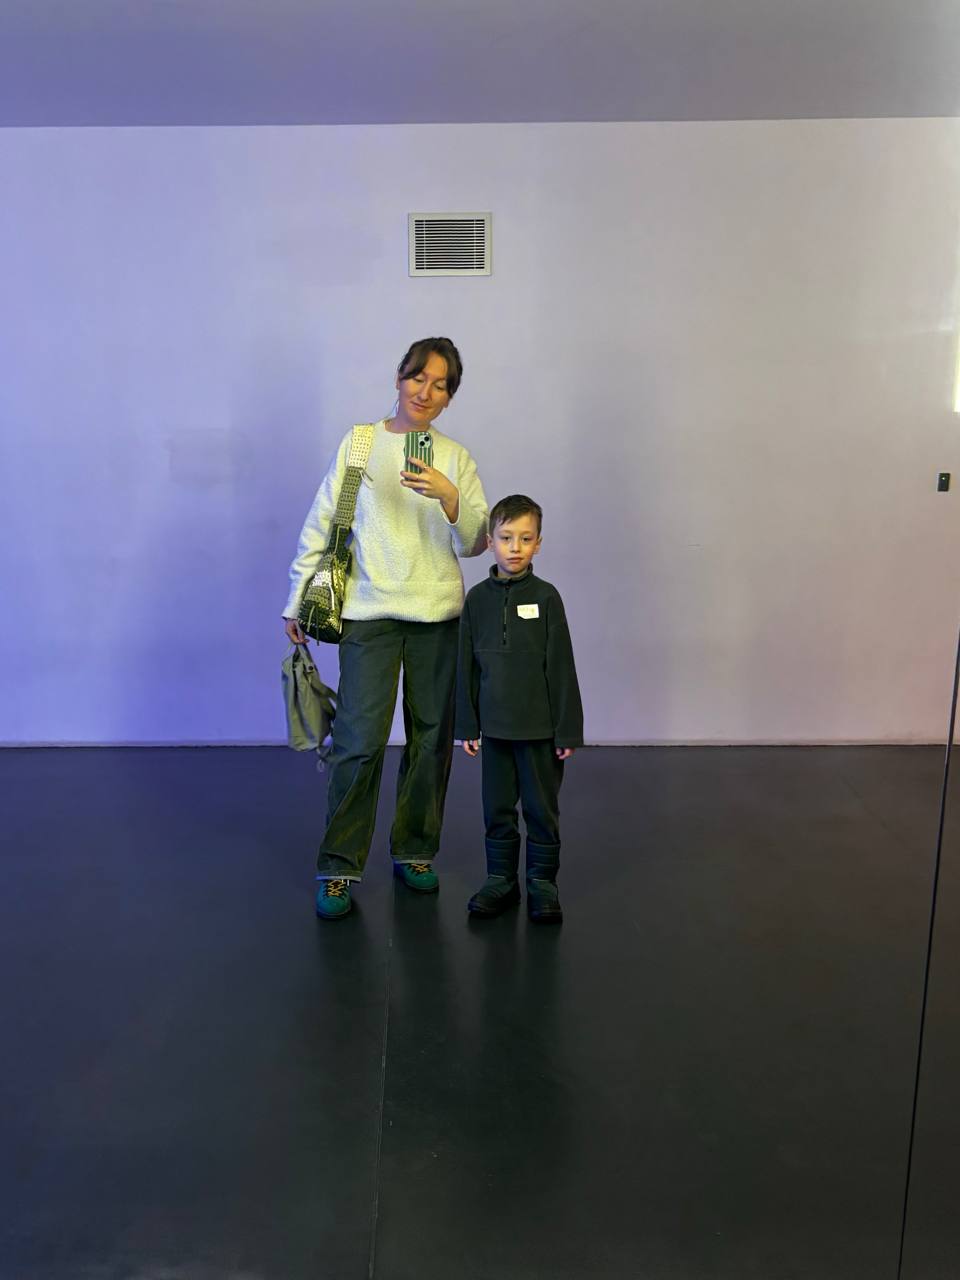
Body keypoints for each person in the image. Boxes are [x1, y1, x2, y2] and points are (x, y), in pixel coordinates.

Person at [284, 338, 488, 919]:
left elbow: (477, 542)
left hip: (437, 617)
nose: (426, 392)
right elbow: (322, 521)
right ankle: (338, 866)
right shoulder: (360, 443)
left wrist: (450, 499)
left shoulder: (456, 458)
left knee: (430, 742)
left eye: (440, 385)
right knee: (358, 742)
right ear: (399, 377)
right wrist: (297, 599)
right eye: (418, 377)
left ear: (449, 398)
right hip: (368, 613)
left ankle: (415, 851)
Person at [455, 494, 583, 923]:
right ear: (490, 542)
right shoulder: (476, 601)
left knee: (541, 809)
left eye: (525, 539)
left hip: (540, 731)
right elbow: (467, 666)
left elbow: (561, 667)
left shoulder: (547, 598)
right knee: (497, 808)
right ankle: (501, 880)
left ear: (538, 544)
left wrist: (567, 729)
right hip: (494, 731)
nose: (515, 547)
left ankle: (542, 883)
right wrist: (467, 724)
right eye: (506, 537)